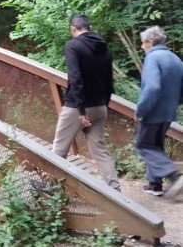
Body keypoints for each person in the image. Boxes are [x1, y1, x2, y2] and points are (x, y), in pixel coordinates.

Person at [51, 14, 120, 191]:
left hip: (77, 108)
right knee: (99, 150)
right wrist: (104, 105)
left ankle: (53, 191)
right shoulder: (105, 50)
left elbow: (76, 78)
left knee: (59, 150)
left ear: (73, 29)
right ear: (90, 28)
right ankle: (115, 189)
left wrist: (81, 111)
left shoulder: (73, 46)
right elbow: (109, 83)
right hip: (100, 107)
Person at [135, 26, 183, 198]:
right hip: (169, 112)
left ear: (150, 42)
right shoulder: (176, 59)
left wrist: (141, 110)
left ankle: (174, 174)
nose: (142, 47)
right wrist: (174, 103)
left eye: (143, 43)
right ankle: (154, 184)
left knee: (144, 145)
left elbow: (152, 87)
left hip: (153, 112)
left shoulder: (153, 58)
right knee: (156, 146)